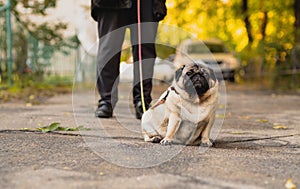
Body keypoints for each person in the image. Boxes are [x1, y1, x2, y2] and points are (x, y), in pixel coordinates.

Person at [91, 0, 167, 119]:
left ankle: (142, 100)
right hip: (109, 4)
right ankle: (106, 100)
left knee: (145, 49)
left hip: (145, 3)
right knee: (108, 49)